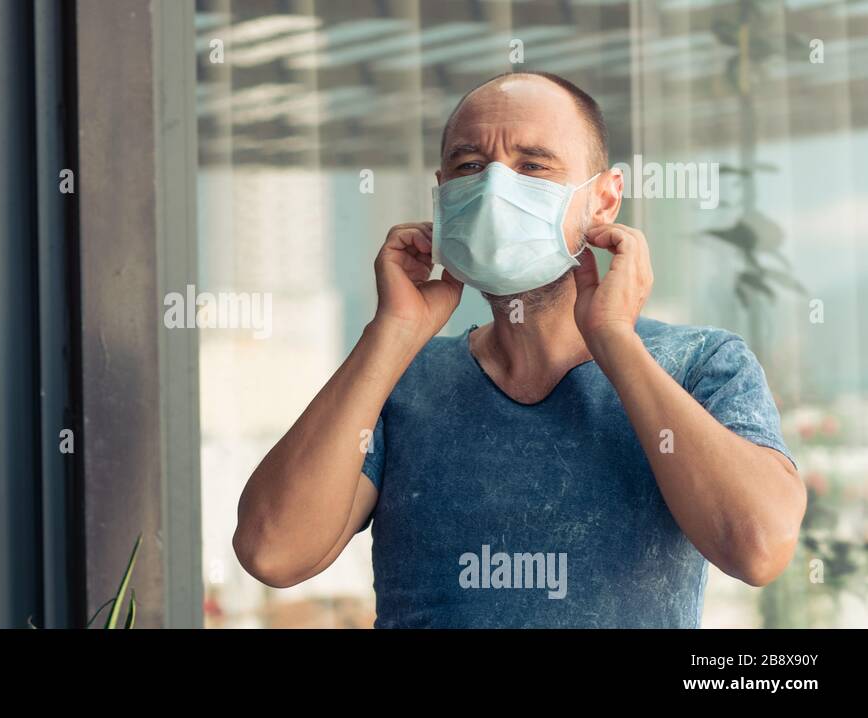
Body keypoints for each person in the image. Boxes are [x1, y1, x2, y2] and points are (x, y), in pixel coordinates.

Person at [232, 71, 806, 628]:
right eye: (470, 166)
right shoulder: (399, 379)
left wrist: (615, 341)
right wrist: (391, 333)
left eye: (533, 165)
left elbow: (757, 548)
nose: (494, 190)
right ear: (442, 195)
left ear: (604, 200)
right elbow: (273, 551)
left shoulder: (701, 364)